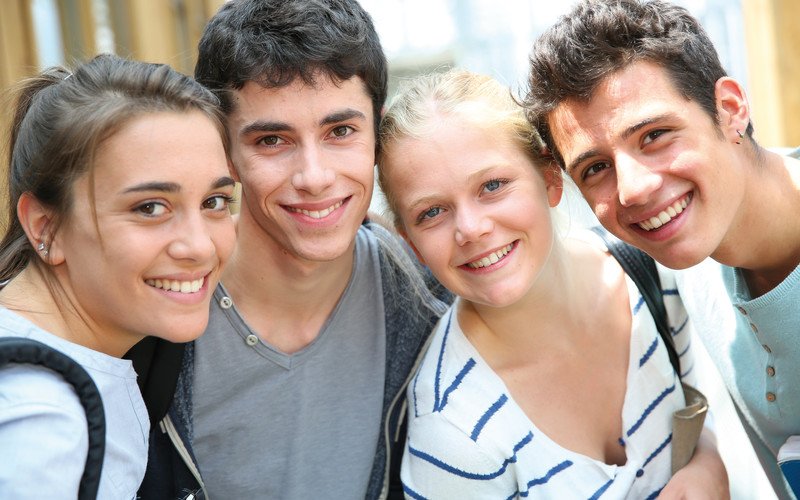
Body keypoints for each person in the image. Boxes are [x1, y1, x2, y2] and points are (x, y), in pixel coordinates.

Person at [128, 0, 450, 498]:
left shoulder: (427, 299)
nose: (315, 178)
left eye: (340, 131)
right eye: (273, 141)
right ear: (225, 151)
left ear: (377, 133)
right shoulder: (147, 324)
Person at [376, 68, 728, 499]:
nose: (470, 228)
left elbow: (694, 415)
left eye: (492, 185)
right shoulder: (453, 427)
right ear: (410, 241)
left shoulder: (645, 273)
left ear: (549, 178)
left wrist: (706, 462)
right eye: (431, 212)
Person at [524, 0, 800, 497]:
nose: (632, 189)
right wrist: (703, 460)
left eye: (654, 135)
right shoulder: (681, 262)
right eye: (595, 168)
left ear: (730, 109)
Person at [0, 54, 236, 498]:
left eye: (215, 202)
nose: (200, 246)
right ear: (44, 226)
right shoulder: (39, 429)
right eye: (149, 208)